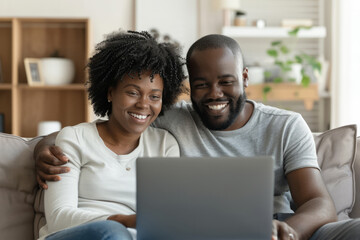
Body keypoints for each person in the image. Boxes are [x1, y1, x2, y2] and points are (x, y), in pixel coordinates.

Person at [35, 34, 360, 240]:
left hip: (286, 228)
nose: (215, 93)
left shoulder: (286, 125)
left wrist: (288, 232)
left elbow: (319, 203)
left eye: (226, 81)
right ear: (190, 86)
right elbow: (91, 136)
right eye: (202, 83)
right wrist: (41, 148)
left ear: (245, 78)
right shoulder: (173, 121)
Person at [36, 30, 186, 240]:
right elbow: (57, 217)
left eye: (154, 96)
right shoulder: (75, 138)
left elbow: (163, 218)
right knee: (113, 233)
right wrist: (121, 221)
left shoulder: (165, 145)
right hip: (72, 235)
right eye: (132, 92)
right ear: (109, 92)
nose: (144, 104)